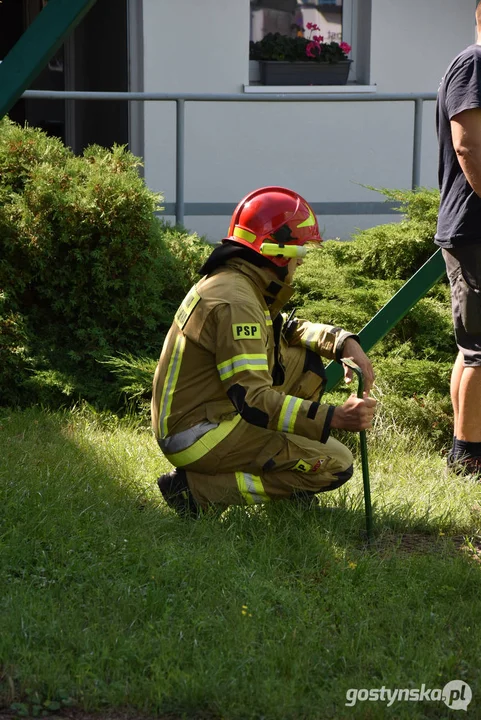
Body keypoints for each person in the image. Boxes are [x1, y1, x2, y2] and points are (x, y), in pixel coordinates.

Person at [152, 186, 376, 517]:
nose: (300, 262)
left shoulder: (239, 282)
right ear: (278, 254)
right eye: (299, 253)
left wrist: (342, 342)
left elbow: (283, 329)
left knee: (304, 360)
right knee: (336, 463)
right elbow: (253, 400)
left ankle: (278, 466)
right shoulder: (237, 302)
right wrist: (335, 417)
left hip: (199, 415)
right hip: (199, 434)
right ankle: (197, 493)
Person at [435, 2, 481, 477]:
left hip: (472, 227)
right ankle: (468, 458)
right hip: (475, 227)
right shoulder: (475, 63)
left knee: (474, 345)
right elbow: (468, 144)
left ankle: (466, 448)